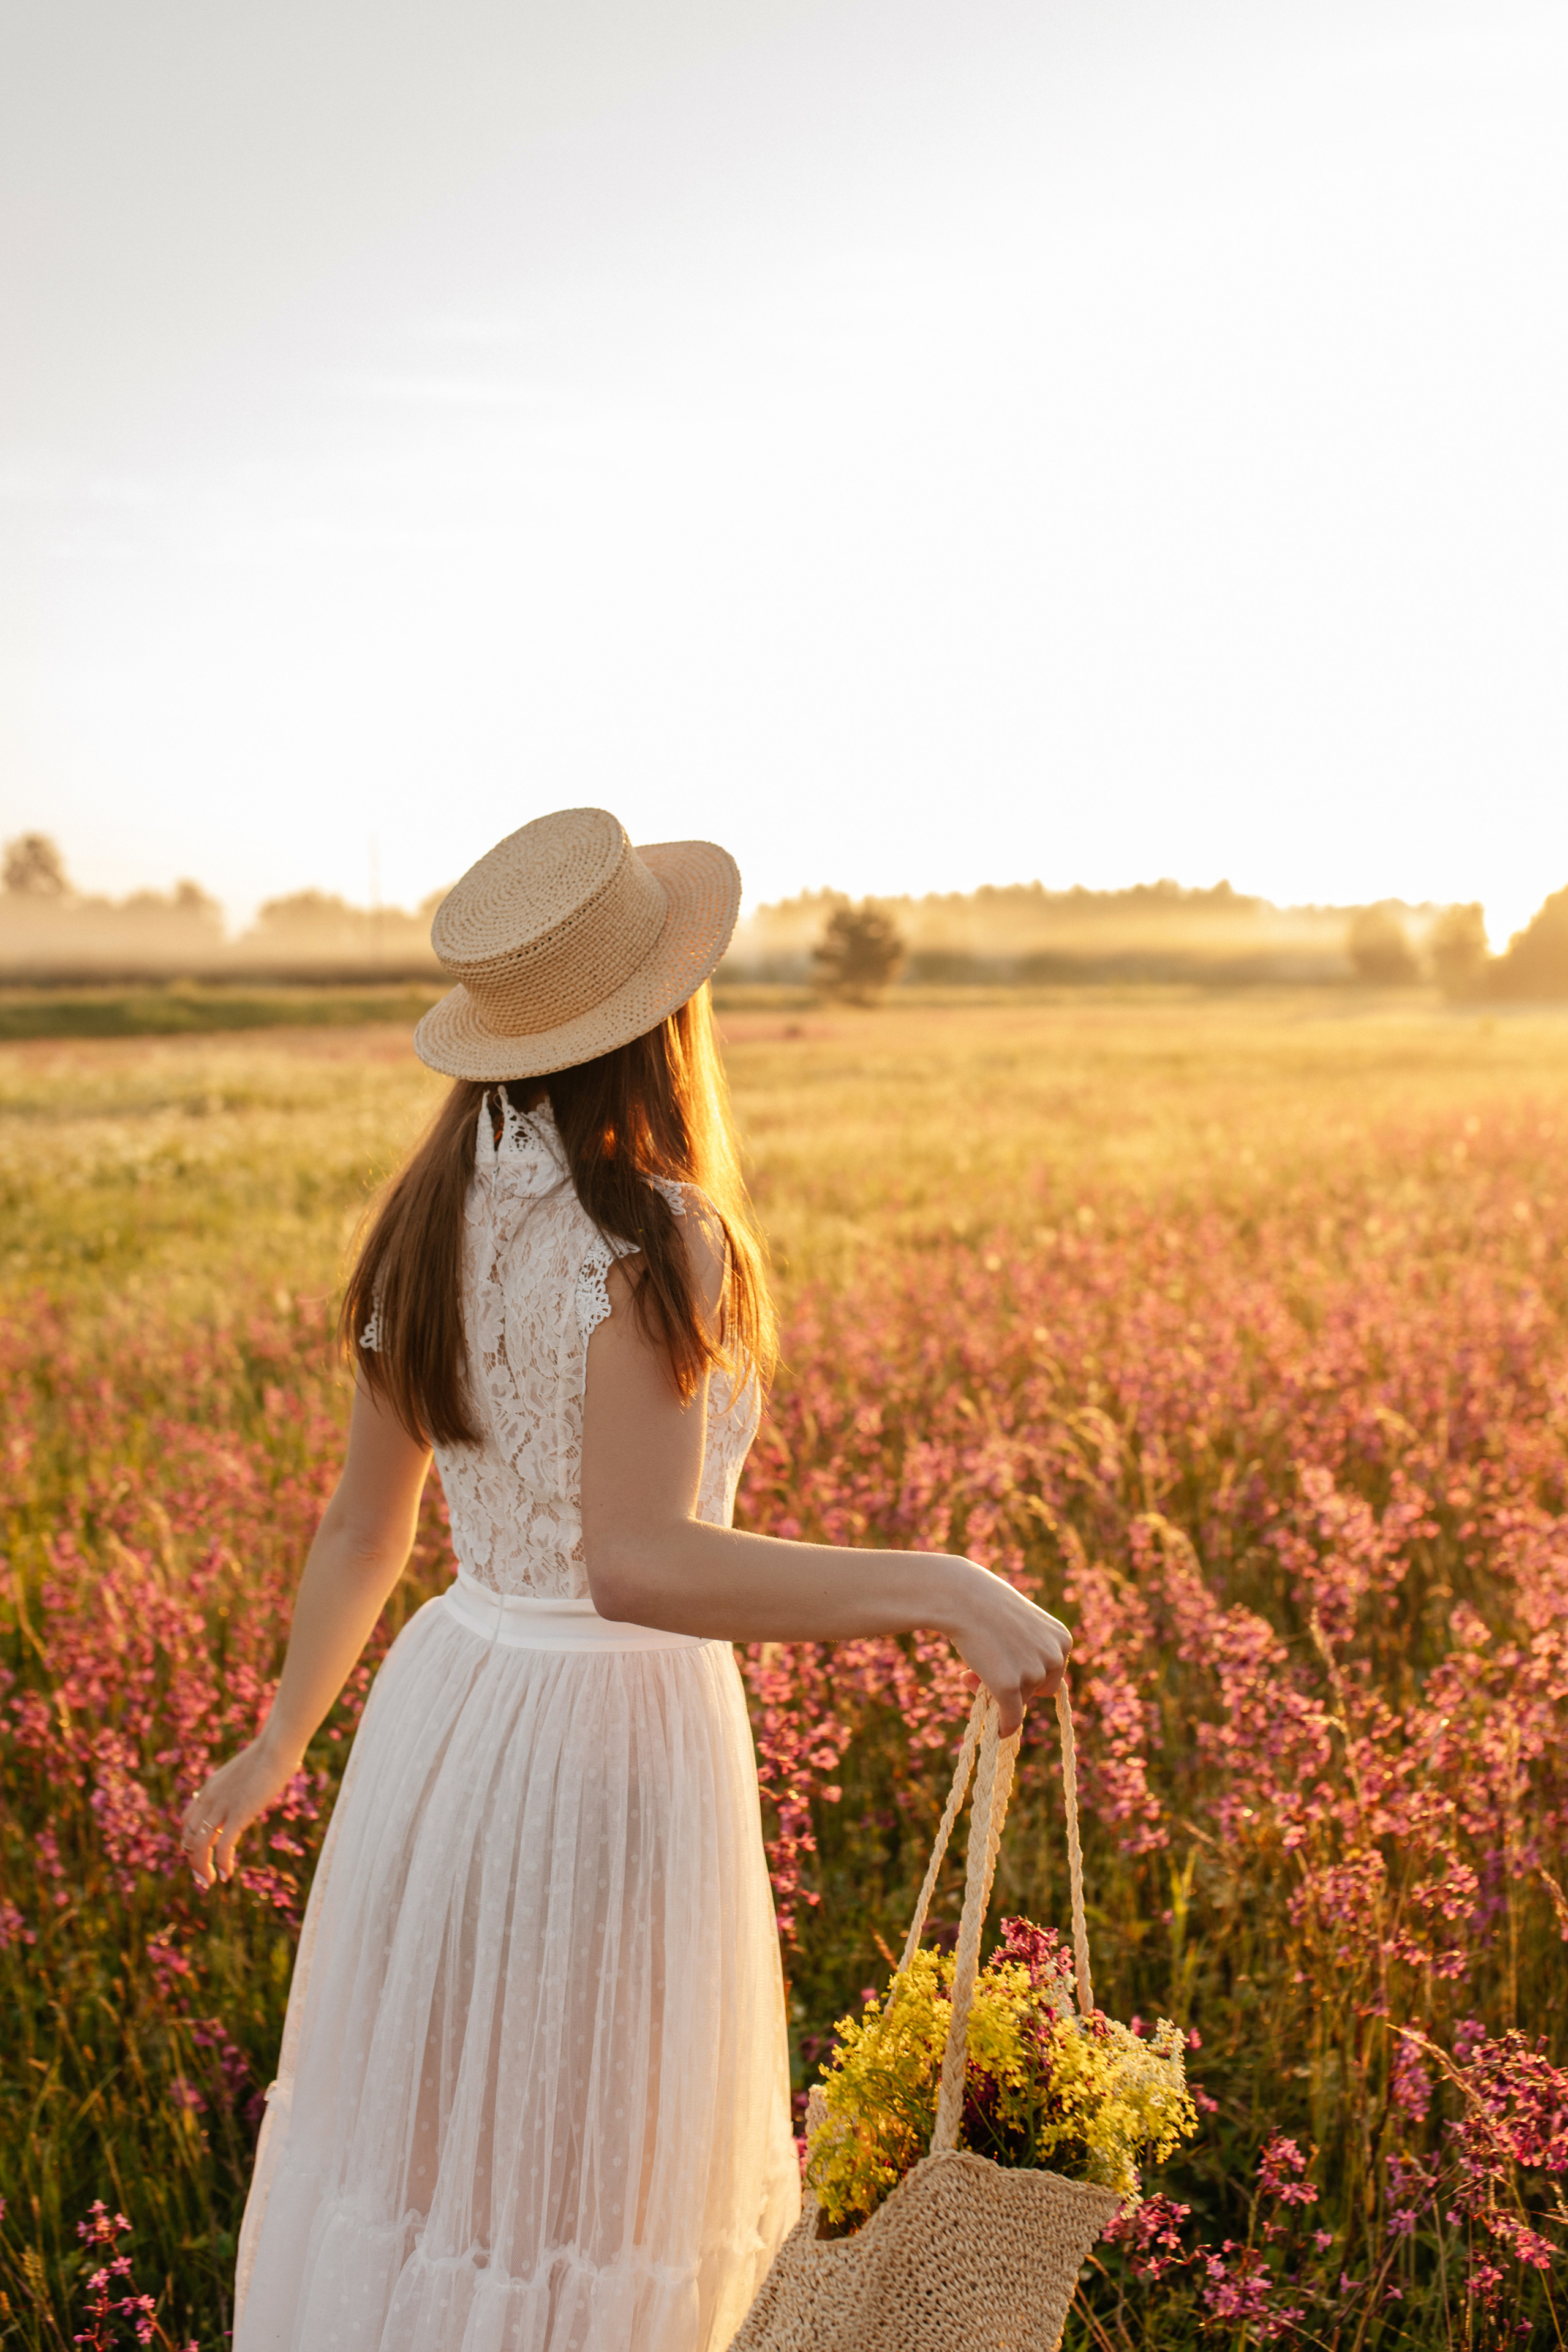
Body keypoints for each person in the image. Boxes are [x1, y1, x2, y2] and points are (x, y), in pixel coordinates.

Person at [181, 807, 1072, 2352]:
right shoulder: (658, 1237)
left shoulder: (425, 1217)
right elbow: (640, 1566)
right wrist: (941, 1585)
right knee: (601, 2181)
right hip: (608, 1749)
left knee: (443, 2170)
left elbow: (359, 1530)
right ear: (664, 1019)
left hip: (445, 1723)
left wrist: (280, 1743)